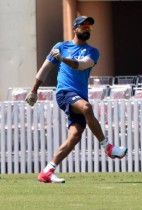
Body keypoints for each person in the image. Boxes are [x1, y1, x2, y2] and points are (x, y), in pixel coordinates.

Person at [25, 16, 127, 183]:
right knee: (86, 108)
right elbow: (45, 69)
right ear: (75, 28)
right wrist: (34, 91)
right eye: (84, 26)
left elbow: (81, 65)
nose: (87, 29)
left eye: (89, 27)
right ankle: (108, 147)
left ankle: (47, 171)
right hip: (64, 93)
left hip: (79, 95)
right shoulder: (61, 46)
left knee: (75, 136)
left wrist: (63, 59)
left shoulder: (93, 51)